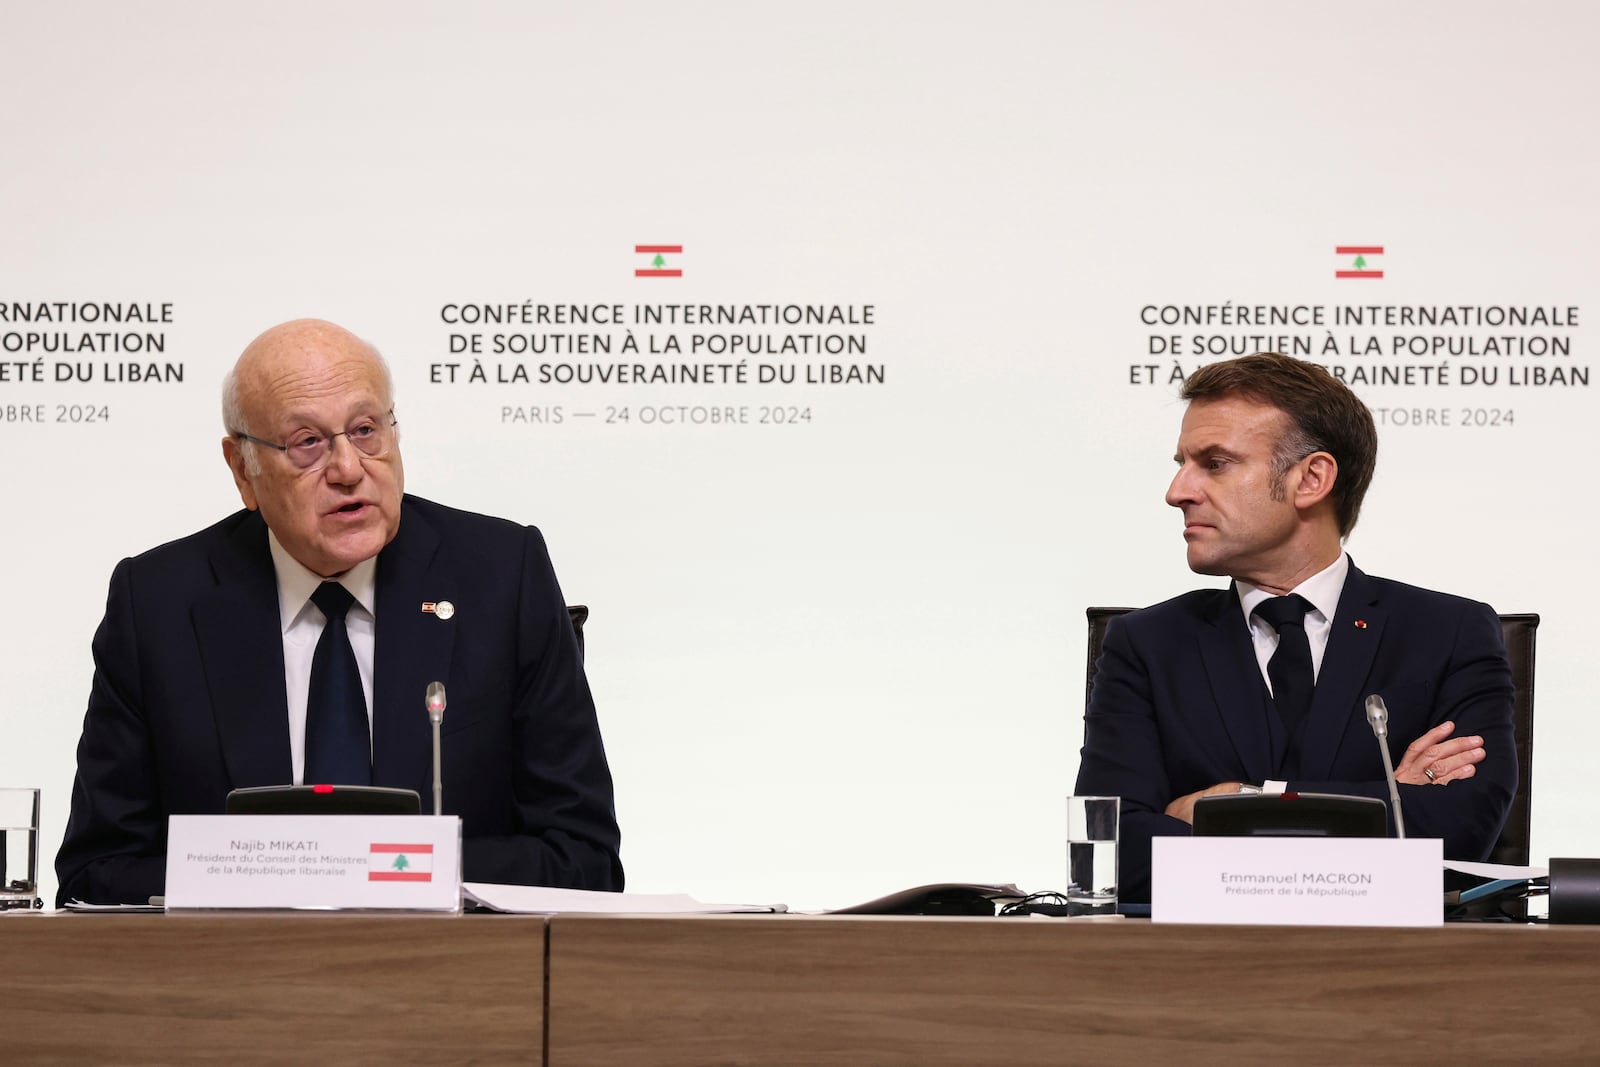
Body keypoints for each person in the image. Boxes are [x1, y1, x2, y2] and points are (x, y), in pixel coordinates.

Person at [56, 318, 622, 904]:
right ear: (242, 469)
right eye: (307, 442)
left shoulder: (502, 577)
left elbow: (582, 857)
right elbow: (96, 872)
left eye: (366, 430)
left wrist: (379, 873)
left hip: (453, 977)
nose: (348, 468)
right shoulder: (158, 603)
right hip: (236, 978)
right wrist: (287, 879)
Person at [1074, 352, 1514, 904]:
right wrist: (1383, 801)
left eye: (1215, 463)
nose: (1177, 490)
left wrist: (1238, 799)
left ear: (1311, 478)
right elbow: (1114, 851)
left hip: (1399, 972)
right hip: (1189, 974)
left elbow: (1455, 833)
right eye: (1183, 462)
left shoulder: (1449, 632)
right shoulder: (1147, 643)